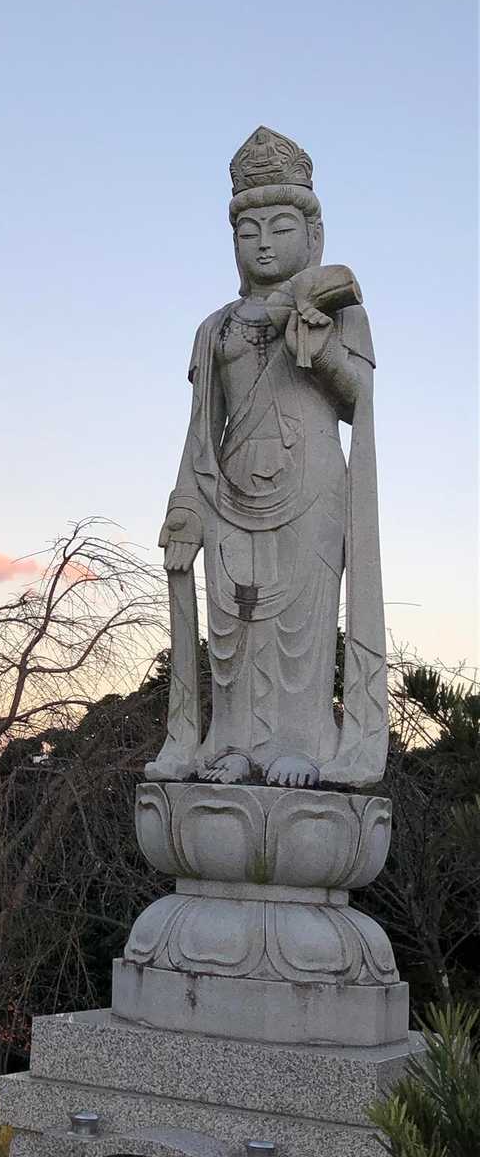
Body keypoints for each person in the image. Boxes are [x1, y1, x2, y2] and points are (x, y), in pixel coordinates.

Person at [147, 127, 387, 789]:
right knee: (234, 628)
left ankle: (303, 743)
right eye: (247, 230)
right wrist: (185, 505)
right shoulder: (215, 327)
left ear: (312, 235)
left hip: (311, 482)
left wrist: (319, 345)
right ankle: (232, 744)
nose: (263, 242)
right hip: (228, 489)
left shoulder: (337, 311)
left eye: (281, 227)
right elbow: (201, 429)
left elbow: (359, 399)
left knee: (300, 626)